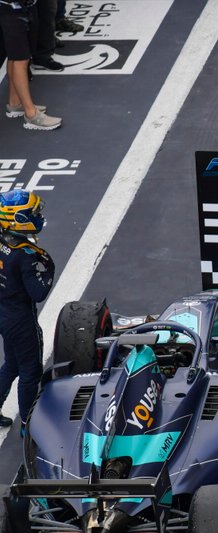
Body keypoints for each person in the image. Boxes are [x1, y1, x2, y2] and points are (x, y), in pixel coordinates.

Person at [0, 190, 55, 435]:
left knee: (11, 364)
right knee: (30, 371)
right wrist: (47, 267)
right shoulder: (26, 255)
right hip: (19, 318)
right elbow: (38, 293)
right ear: (18, 219)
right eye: (33, 213)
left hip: (2, 312)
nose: (38, 215)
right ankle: (28, 425)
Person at [0, 0, 62, 129]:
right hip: (10, 8)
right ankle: (31, 114)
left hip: (23, 7)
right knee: (21, 59)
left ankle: (15, 103)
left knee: (17, 56)